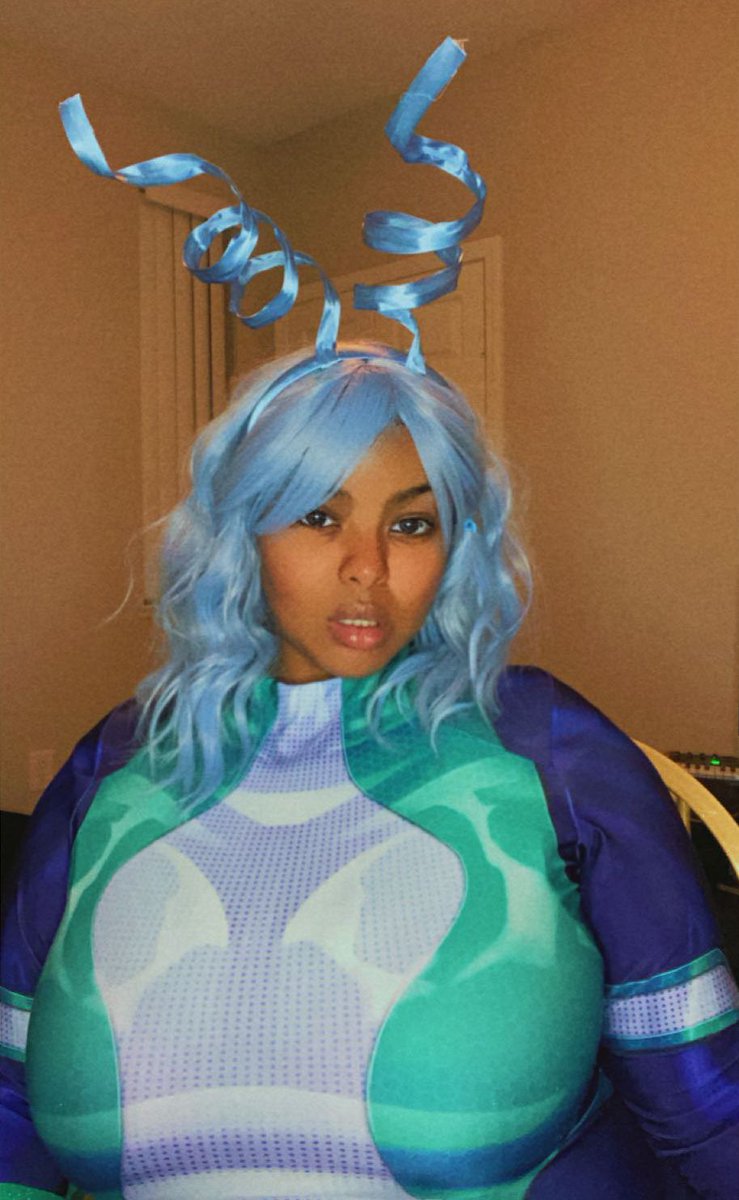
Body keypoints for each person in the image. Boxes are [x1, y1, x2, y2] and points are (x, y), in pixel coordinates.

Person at [2, 36, 738, 1200]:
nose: (366, 570)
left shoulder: (547, 746)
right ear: (241, 535)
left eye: (411, 523)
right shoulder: (117, 761)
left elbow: (706, 1111)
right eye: (316, 517)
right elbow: (8, 1109)